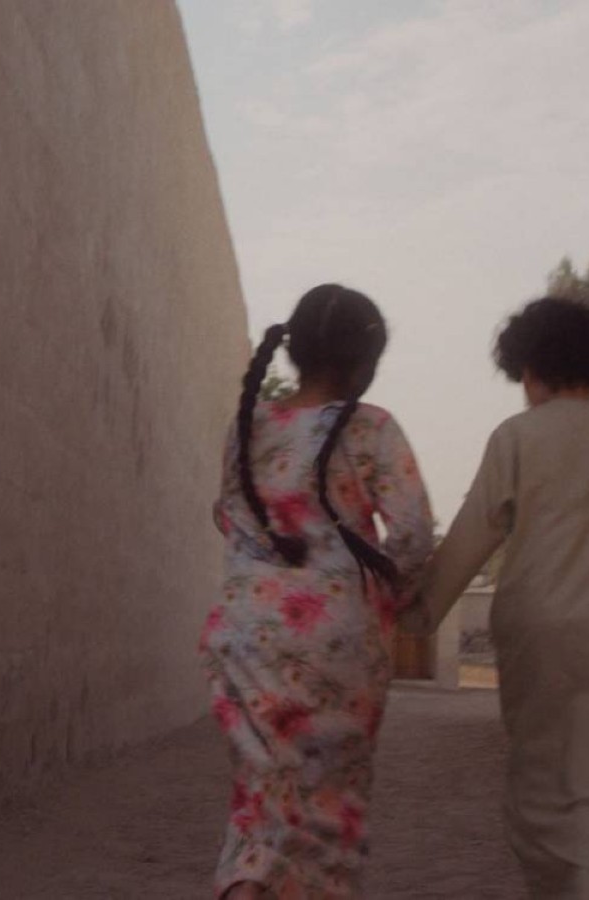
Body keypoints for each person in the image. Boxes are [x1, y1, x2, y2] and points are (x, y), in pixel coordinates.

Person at [406, 296, 589, 898]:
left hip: (537, 635)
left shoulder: (516, 438)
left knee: (547, 777)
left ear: (528, 372)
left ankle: (568, 882)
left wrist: (420, 614)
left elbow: (471, 537)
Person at [201, 284, 434, 899]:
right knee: (327, 807)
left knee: (260, 806)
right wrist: (393, 601)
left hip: (244, 641)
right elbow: (412, 535)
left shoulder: (247, 427)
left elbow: (229, 518)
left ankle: (248, 884)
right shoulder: (374, 429)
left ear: (294, 349)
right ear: (366, 362)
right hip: (338, 644)